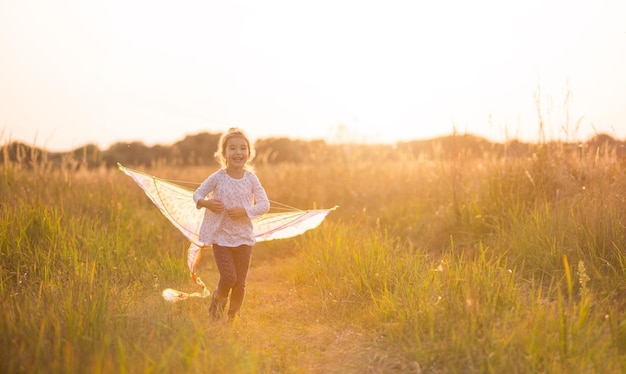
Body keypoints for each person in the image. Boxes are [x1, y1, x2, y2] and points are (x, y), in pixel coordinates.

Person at [193, 128, 270, 322]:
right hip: (221, 237)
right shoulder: (218, 177)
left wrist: (246, 211)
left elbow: (264, 205)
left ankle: (231, 319)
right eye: (233, 148)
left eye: (243, 148)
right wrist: (207, 203)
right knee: (228, 277)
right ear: (224, 153)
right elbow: (197, 194)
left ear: (249, 153)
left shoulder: (251, 178)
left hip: (244, 238)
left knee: (240, 283)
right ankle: (215, 312)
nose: (238, 152)